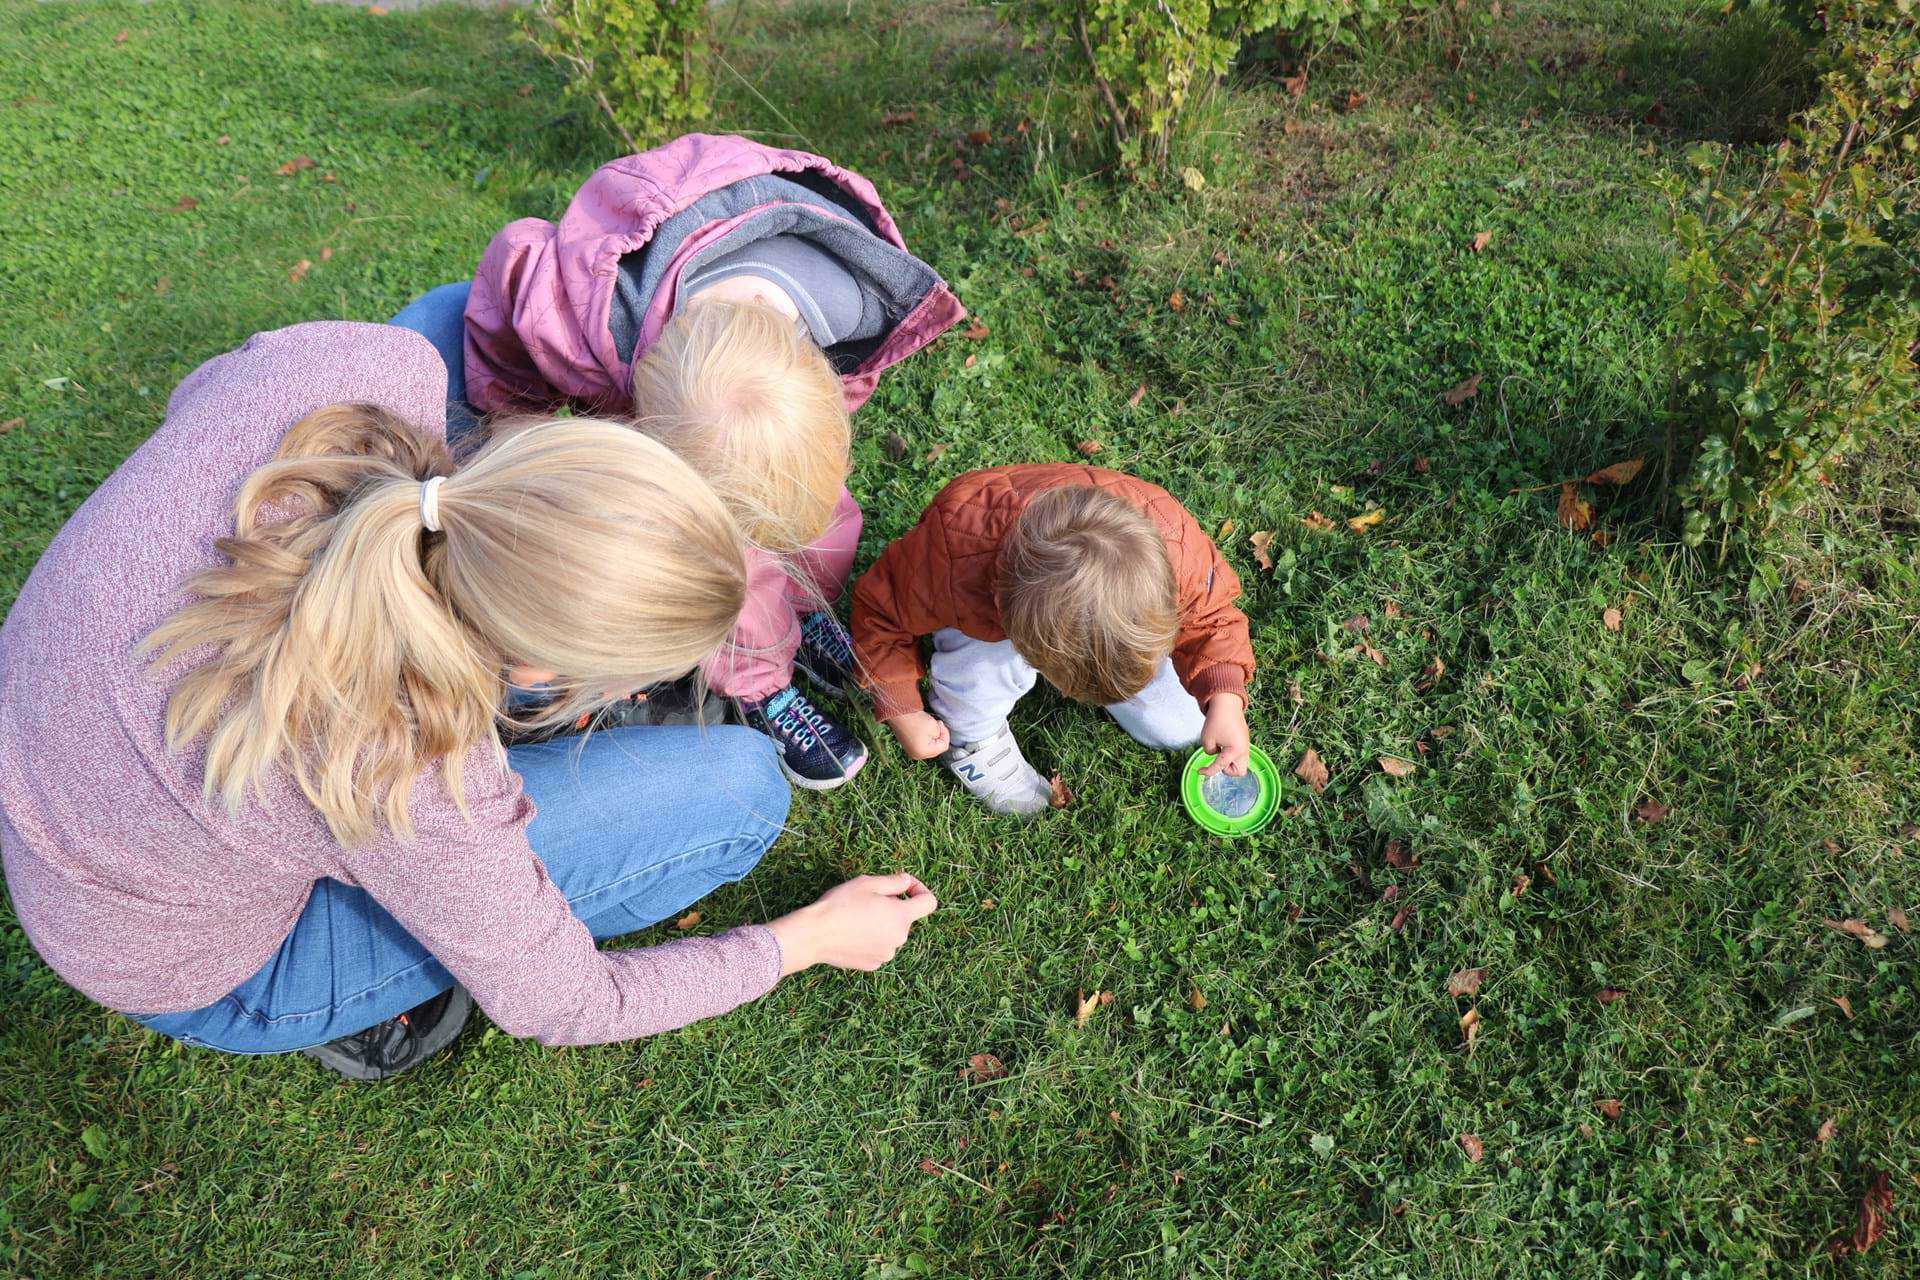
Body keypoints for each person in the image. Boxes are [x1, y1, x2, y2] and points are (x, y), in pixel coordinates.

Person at [0, 322, 937, 1082]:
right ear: (532, 675)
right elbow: (565, 1004)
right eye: (634, 679)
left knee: (454, 301)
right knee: (740, 789)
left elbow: (195, 398)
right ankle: (362, 1005)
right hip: (180, 961)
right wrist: (807, 939)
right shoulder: (404, 770)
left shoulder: (370, 366)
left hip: (64, 767)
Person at [455, 132, 968, 790]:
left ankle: (808, 610)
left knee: (819, 513)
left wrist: (816, 440)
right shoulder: (574, 320)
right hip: (648, 356)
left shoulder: (848, 303)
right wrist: (511, 426)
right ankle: (759, 680)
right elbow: (510, 285)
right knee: (732, 567)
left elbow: (849, 375)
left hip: (750, 368)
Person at [850, 464, 1257, 816]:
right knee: (982, 664)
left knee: (1180, 728)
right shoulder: (950, 561)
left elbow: (1211, 618)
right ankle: (973, 737)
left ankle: (1129, 665)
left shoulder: (1175, 546)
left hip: (1065, 588)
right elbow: (879, 611)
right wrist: (902, 708)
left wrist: (1224, 695)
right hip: (980, 582)